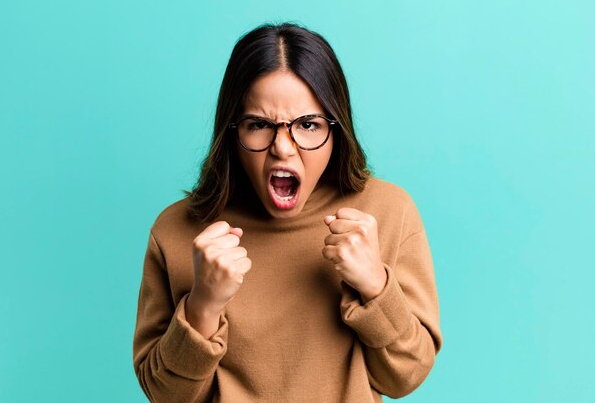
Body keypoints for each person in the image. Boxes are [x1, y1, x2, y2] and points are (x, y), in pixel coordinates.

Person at [132, 22, 443, 403]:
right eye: (259, 125)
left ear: (337, 128)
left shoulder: (387, 213)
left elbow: (405, 377)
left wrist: (376, 286)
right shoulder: (178, 231)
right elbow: (165, 395)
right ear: (232, 131)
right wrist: (203, 306)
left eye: (308, 125)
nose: (283, 148)